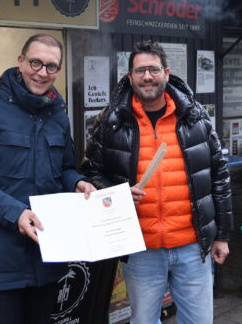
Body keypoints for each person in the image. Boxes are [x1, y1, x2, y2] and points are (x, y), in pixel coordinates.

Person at [0, 34, 96, 324]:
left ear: (58, 71)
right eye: (35, 62)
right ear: (20, 62)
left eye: (51, 67)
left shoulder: (58, 118)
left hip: (47, 256)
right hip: (2, 261)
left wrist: (76, 182)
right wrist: (16, 213)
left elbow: (64, 169)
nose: (42, 72)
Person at [80, 40, 232, 324]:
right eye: (140, 71)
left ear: (166, 72)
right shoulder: (111, 121)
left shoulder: (195, 118)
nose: (147, 77)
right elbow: (90, 174)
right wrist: (116, 193)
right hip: (141, 248)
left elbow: (219, 177)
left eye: (153, 69)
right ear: (129, 76)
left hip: (192, 246)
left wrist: (222, 234)